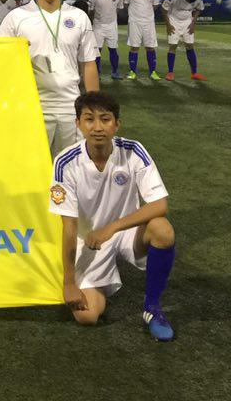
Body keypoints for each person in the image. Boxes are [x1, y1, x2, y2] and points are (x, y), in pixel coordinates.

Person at [50, 91, 177, 341]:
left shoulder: (133, 151)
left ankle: (152, 308)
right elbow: (69, 227)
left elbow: (160, 204)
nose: (97, 127)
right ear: (78, 124)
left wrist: (113, 228)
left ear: (117, 124)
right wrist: (68, 284)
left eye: (105, 119)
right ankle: (102, 278)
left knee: (163, 230)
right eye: (89, 119)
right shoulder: (65, 162)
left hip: (124, 233)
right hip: (88, 239)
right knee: (87, 316)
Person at [0, 0, 100, 156]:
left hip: (69, 107)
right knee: (32, 167)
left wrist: (94, 105)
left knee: (70, 169)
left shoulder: (79, 18)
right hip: (30, 106)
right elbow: (2, 64)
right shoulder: (16, 18)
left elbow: (88, 63)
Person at [123, 0, 161, 81]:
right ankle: (132, 71)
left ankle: (153, 72)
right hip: (134, 22)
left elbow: (155, 5)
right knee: (134, 47)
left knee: (150, 47)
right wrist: (134, 14)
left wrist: (146, 15)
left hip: (148, 23)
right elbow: (126, 4)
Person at [162, 0, 207, 82]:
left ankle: (194, 73)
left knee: (190, 46)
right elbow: (164, 10)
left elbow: (199, 9)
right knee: (173, 46)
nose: (188, 3)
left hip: (187, 22)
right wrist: (168, 25)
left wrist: (193, 24)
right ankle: (170, 72)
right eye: (187, 1)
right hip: (173, 20)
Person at [88, 0, 125, 81]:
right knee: (97, 50)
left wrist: (112, 19)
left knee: (113, 49)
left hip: (112, 27)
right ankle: (97, 73)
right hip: (98, 26)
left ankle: (115, 72)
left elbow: (118, 8)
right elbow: (91, 10)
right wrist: (91, 24)